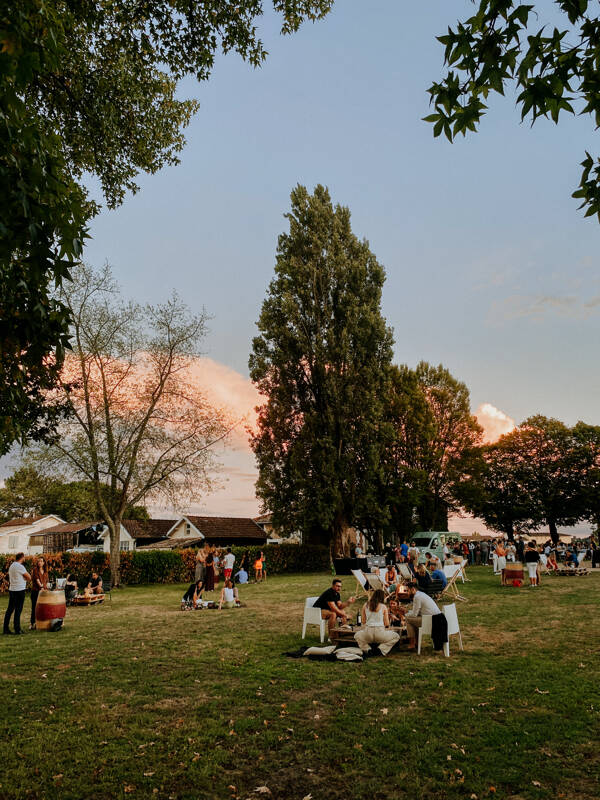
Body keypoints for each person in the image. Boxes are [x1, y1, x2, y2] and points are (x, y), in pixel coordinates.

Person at [354, 590, 400, 656]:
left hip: (368, 633)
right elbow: (387, 624)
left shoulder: (365, 605)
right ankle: (381, 650)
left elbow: (363, 621)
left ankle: (367, 649)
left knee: (357, 635)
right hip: (380, 633)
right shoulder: (383, 607)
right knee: (396, 636)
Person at [400, 582, 441, 650]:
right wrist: (407, 611)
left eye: (407, 590)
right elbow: (416, 612)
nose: (407, 593)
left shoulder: (417, 597)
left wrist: (405, 614)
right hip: (436, 618)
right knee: (412, 619)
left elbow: (414, 614)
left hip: (432, 620)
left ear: (413, 589)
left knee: (407, 619)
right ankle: (416, 643)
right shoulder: (420, 594)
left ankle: (412, 644)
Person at [3, 553, 31, 635]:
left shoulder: (12, 566)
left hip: (12, 589)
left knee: (10, 610)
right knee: (18, 610)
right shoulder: (20, 566)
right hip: (20, 590)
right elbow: (29, 577)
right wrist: (24, 579)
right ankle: (17, 629)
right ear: (22, 558)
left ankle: (5, 628)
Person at [30, 556, 49, 629]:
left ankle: (42, 623)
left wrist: (46, 588)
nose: (39, 563)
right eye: (38, 561)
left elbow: (46, 581)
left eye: (41, 561)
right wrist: (41, 587)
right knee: (34, 608)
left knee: (43, 608)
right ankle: (32, 623)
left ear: (44, 563)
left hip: (44, 592)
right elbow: (37, 580)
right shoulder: (35, 570)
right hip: (36, 592)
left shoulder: (45, 571)